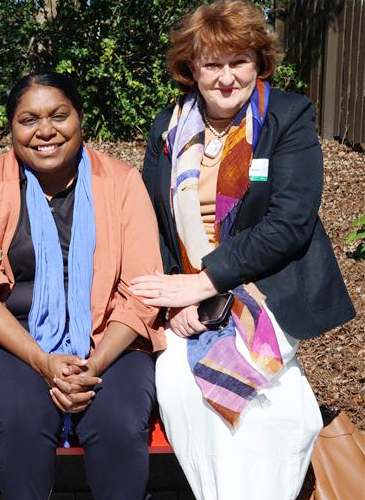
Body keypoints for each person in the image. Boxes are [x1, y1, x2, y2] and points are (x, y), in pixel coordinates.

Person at [131, 2, 356, 500]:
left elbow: (289, 224)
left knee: (253, 402)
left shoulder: (287, 117)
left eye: (240, 62)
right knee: (178, 384)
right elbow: (159, 223)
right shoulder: (167, 128)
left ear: (259, 62)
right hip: (192, 295)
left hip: (271, 286)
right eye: (213, 64)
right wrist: (179, 300)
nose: (227, 77)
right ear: (190, 68)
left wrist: (205, 283)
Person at [0, 71, 165, 500]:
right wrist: (42, 360)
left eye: (58, 116)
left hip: (111, 340)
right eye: (28, 120)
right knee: (23, 416)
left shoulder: (122, 183)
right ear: (11, 128)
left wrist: (95, 364)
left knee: (117, 421)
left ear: (80, 119)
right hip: (7, 342)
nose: (45, 131)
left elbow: (142, 289)